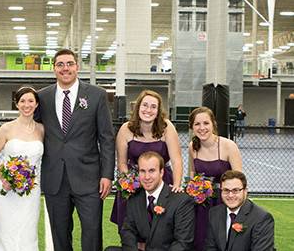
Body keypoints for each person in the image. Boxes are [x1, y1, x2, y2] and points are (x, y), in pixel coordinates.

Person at [36, 48, 115, 251]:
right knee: (60, 236)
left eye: (69, 63)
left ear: (77, 67)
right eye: (60, 64)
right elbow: (32, 129)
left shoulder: (97, 95)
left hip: (89, 179)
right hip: (55, 179)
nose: (65, 68)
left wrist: (107, 175)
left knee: (92, 234)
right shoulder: (42, 97)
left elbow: (106, 138)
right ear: (54, 69)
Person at [110, 90, 183, 231]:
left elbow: (177, 160)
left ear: (158, 110)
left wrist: (176, 185)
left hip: (162, 182)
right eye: (145, 105)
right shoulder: (125, 129)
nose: (148, 110)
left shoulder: (167, 127)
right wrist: (130, 183)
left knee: (162, 230)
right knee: (131, 231)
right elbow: (122, 163)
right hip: (133, 184)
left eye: (153, 107)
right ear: (138, 107)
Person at [0, 87, 44, 251]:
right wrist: (4, 177)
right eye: (22, 101)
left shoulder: (42, 129)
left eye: (30, 101)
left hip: (30, 191)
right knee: (5, 231)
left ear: (36, 104)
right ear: (17, 104)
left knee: (28, 231)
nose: (27, 105)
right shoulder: (6, 128)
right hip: (7, 190)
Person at [188, 107, 243, 251]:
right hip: (201, 204)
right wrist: (195, 192)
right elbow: (193, 174)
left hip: (225, 202)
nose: (202, 128)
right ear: (192, 127)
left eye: (206, 123)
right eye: (197, 124)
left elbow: (240, 181)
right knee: (200, 241)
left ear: (213, 124)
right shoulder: (192, 147)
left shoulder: (229, 146)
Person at [117, 151, 194, 251]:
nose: (147, 177)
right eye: (142, 171)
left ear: (161, 172)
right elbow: (127, 231)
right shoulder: (134, 199)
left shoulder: (181, 200)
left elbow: (183, 242)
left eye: (152, 171)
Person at [204, 170, 275, 251]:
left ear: (245, 191)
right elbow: (210, 247)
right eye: (226, 190)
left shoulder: (262, 218)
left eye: (235, 190)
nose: (230, 195)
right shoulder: (214, 213)